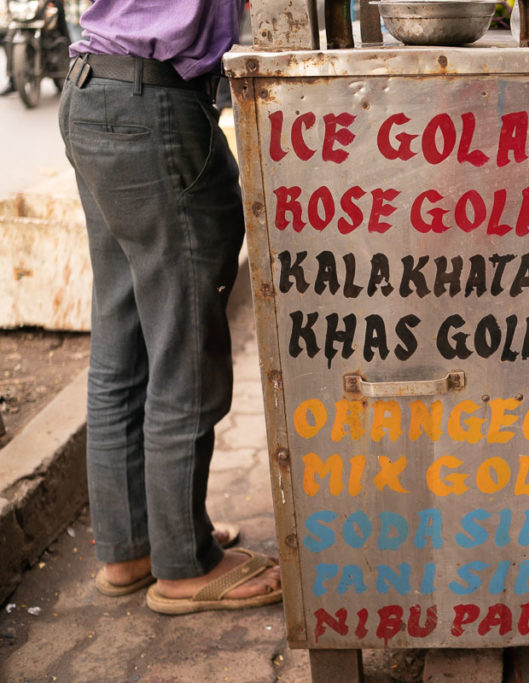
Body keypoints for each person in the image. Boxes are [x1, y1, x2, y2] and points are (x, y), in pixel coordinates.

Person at [58, 0, 282, 614]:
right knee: (182, 341)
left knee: (122, 339)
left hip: (94, 92)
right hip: (150, 107)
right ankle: (184, 563)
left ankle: (133, 549)